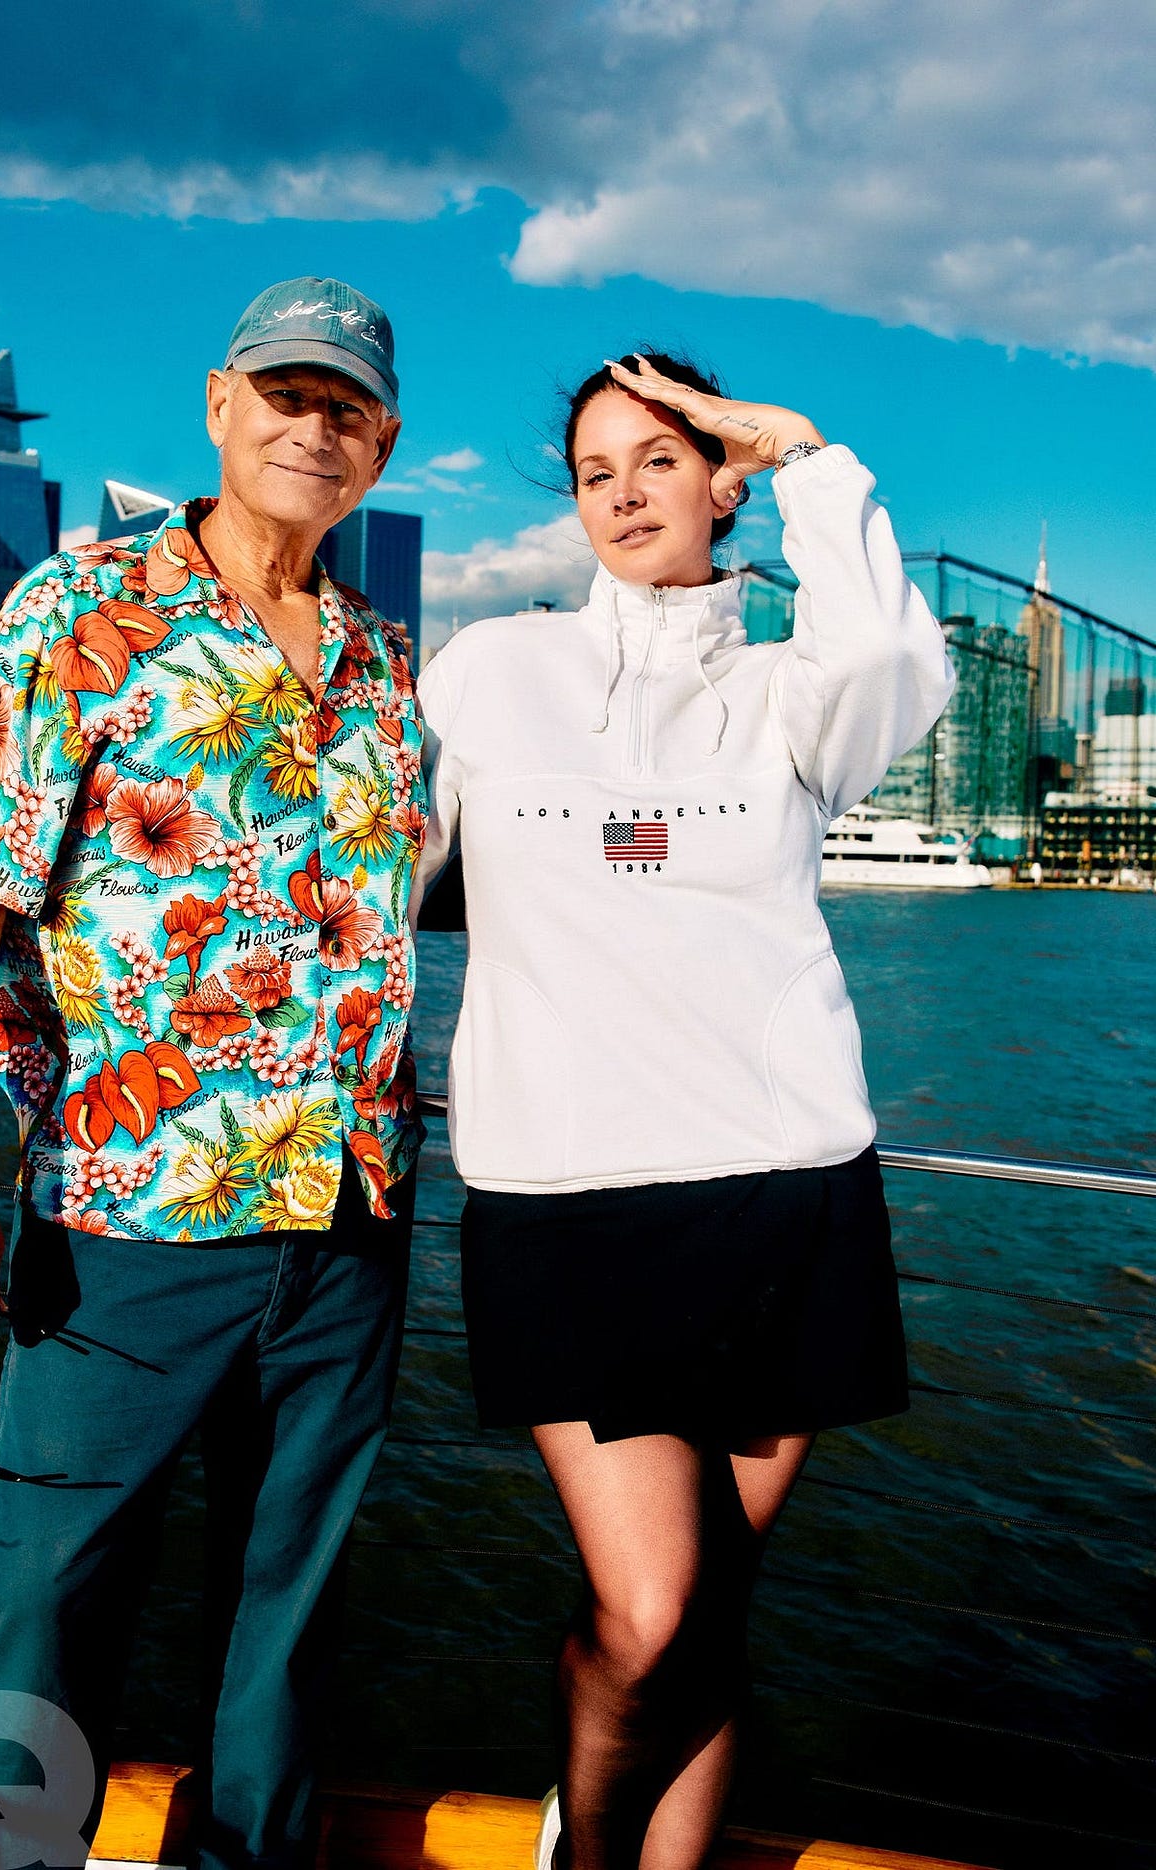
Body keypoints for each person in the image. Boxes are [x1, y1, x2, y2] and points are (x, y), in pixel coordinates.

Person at [0, 276, 426, 1870]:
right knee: (43, 1602)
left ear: (383, 443)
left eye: (346, 408)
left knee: (288, 1620)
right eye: (286, 393)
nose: (313, 427)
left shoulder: (385, 658)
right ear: (218, 403)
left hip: (350, 1216)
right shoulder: (82, 610)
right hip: (127, 1217)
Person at [412, 352, 955, 1870]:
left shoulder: (795, 688)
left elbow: (891, 655)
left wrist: (804, 451)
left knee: (710, 1609)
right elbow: (384, 877)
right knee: (650, 1613)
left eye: (663, 459)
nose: (626, 495)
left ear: (725, 483)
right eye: (596, 472)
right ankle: (585, 1854)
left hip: (788, 1191)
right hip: (566, 1203)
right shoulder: (490, 671)